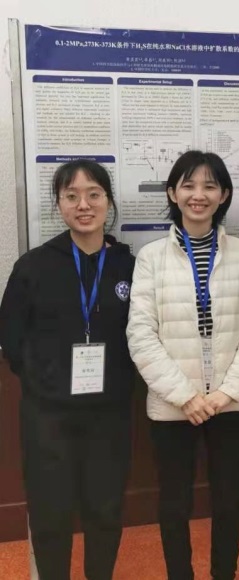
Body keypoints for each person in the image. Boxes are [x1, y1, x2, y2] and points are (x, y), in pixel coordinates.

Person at [126, 150, 239, 580]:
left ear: (223, 194)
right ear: (173, 193)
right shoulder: (151, 257)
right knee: (174, 503)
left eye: (209, 186)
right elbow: (141, 335)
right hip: (173, 405)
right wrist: (186, 396)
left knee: (228, 500)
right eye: (188, 185)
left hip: (230, 402)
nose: (198, 195)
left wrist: (226, 393)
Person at [0, 160, 135, 580]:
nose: (83, 205)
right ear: (58, 204)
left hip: (109, 413)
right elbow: (11, 337)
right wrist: (44, 381)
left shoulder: (128, 267)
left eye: (94, 194)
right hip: (48, 415)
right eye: (71, 196)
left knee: (105, 510)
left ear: (108, 201)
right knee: (50, 513)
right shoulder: (34, 266)